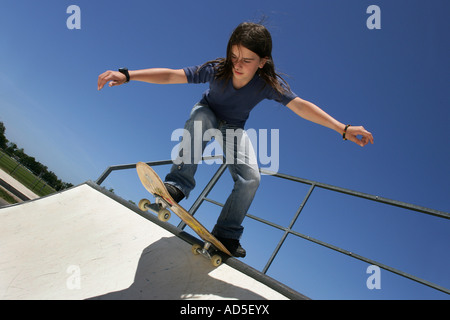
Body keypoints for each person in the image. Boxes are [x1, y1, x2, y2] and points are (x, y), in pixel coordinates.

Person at [98, 22, 374, 258]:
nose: (237, 65)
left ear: (262, 62)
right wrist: (128, 74)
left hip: (233, 128)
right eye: (234, 56)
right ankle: (177, 185)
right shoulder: (218, 69)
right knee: (200, 121)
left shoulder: (267, 84)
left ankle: (227, 233)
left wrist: (342, 128)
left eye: (246, 60)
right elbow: (173, 74)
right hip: (207, 112)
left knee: (252, 177)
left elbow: (300, 105)